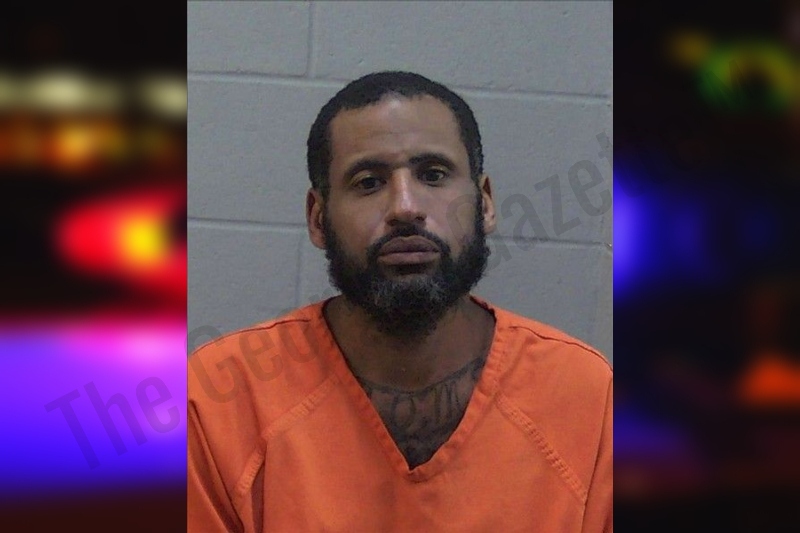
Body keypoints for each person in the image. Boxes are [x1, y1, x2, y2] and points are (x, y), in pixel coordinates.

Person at [188, 71, 612, 532]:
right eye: (368, 182)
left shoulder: (587, 396)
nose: (405, 207)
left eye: (433, 175)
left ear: (485, 203)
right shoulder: (222, 400)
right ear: (318, 218)